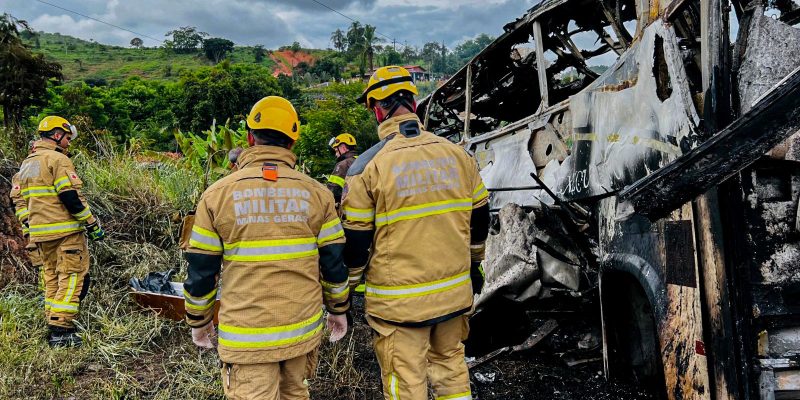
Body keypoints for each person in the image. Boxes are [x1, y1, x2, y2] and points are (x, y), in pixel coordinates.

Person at [182, 96, 350, 400]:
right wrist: (339, 310)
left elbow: (201, 269)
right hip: (302, 332)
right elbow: (334, 263)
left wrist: (199, 320)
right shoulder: (318, 194)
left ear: (249, 138)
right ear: (292, 142)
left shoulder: (216, 196)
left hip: (247, 340)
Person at [342, 66, 490, 400]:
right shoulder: (458, 155)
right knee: (451, 369)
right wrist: (473, 265)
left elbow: (357, 243)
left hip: (400, 307)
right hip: (454, 293)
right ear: (414, 104)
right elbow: (480, 218)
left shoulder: (366, 168)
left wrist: (346, 291)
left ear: (378, 109)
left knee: (405, 381)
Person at [10, 116, 105, 348]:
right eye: (67, 137)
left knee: (51, 277)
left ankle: (53, 320)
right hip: (65, 233)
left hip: (40, 236)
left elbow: (18, 203)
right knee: (72, 277)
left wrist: (30, 226)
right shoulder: (57, 159)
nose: (69, 143)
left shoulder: (26, 164)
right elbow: (70, 197)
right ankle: (62, 330)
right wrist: (92, 224)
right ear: (55, 135)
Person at [325, 133, 358, 211]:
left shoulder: (343, 165)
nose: (336, 154)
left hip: (348, 210)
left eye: (336, 151)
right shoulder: (360, 160)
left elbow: (333, 190)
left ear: (343, 148)